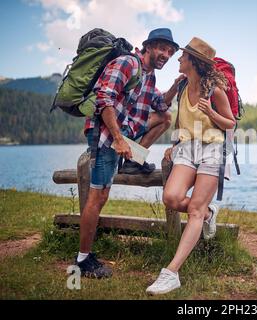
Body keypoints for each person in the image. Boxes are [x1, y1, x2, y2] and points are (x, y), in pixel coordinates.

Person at [75, 28, 184, 278]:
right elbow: (104, 99)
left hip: (124, 134)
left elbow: (160, 105)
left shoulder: (149, 75)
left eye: (170, 51)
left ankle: (134, 161)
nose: (166, 55)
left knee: (165, 118)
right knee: (98, 196)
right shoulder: (127, 63)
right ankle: (83, 259)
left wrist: (175, 87)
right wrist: (118, 138)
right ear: (148, 46)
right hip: (106, 134)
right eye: (162, 48)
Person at [146, 37, 236, 295]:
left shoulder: (215, 91)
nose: (178, 58)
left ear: (193, 62)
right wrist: (174, 144)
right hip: (187, 147)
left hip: (212, 149)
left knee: (194, 209)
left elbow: (230, 123)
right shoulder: (184, 87)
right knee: (171, 198)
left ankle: (171, 272)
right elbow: (179, 121)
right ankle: (208, 214)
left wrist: (212, 114)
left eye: (183, 56)